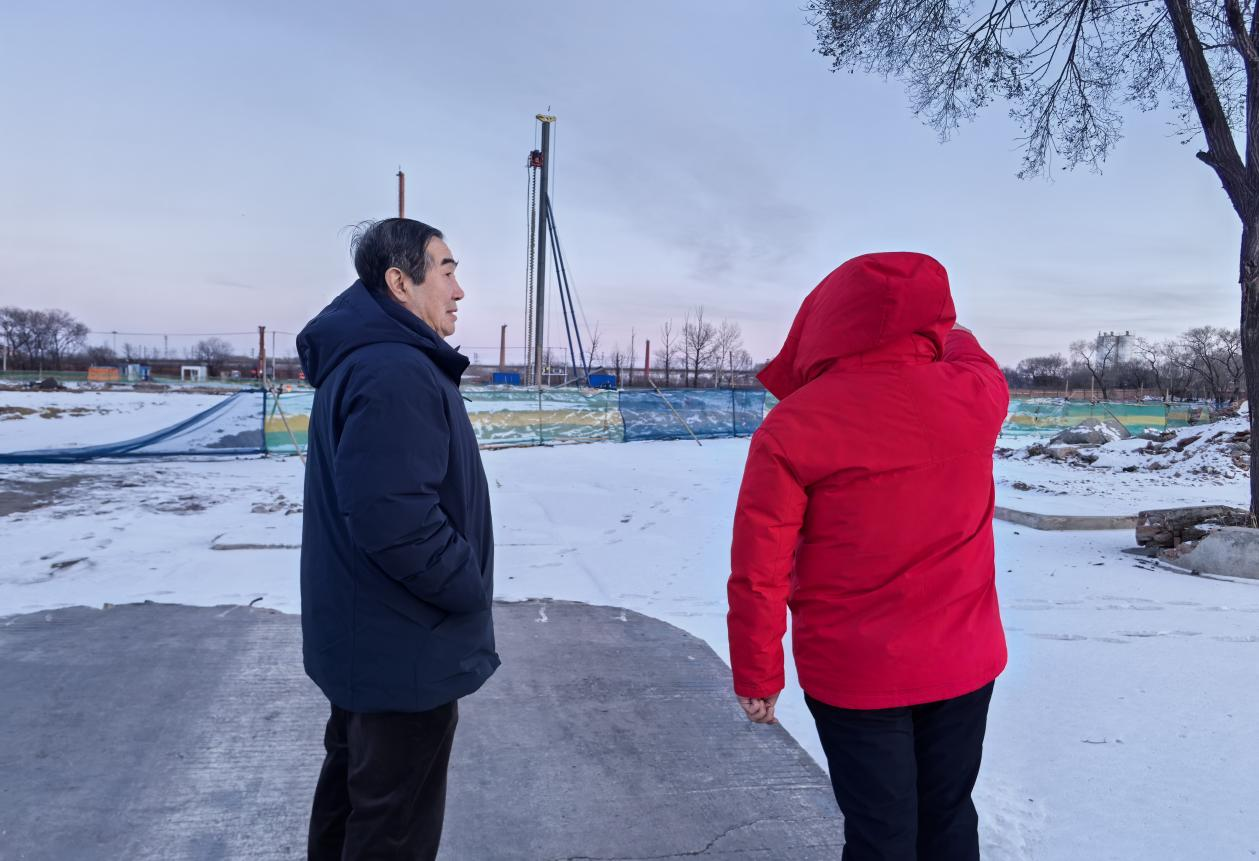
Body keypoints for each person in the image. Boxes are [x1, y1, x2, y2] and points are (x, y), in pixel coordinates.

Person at [727, 252, 1009, 861]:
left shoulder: (792, 425)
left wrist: (758, 671)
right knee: (949, 816)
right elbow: (971, 354)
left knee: (881, 833)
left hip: (855, 671)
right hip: (963, 658)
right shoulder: (977, 395)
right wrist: (951, 330)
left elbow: (760, 567)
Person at [297, 218, 498, 860]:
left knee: (355, 801)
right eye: (447, 271)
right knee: (393, 829)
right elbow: (395, 518)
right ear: (399, 282)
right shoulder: (395, 370)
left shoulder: (370, 361)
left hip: (373, 638)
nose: (459, 291)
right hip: (404, 643)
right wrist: (465, 584)